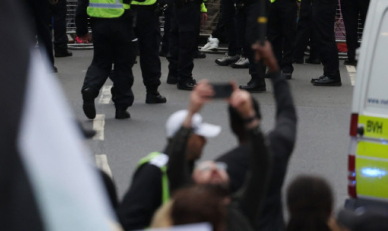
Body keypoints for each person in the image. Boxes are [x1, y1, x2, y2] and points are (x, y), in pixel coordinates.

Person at [159, 80, 271, 231]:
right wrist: (192, 112)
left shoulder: (240, 210)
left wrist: (249, 114)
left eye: (218, 167)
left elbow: (261, 167)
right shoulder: (186, 208)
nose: (214, 170)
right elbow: (175, 165)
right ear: (193, 184)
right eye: (205, 169)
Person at [216, 42, 297, 231]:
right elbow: (287, 112)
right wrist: (275, 69)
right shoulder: (277, 147)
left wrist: (192, 112)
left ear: (232, 126)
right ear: (259, 117)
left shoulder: (223, 167)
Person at [117, 89, 221, 230]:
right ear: (188, 139)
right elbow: (128, 221)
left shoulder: (190, 168)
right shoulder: (153, 171)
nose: (205, 141)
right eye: (200, 136)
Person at [78, 0, 150, 120]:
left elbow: (81, 6)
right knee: (123, 66)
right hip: (122, 26)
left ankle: (90, 88)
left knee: (100, 62)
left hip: (98, 26)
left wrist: (81, 31)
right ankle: (121, 107)